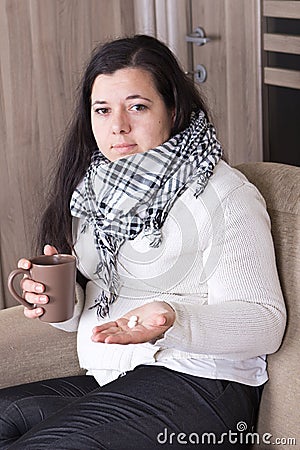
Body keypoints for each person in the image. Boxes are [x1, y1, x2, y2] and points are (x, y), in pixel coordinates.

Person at [0, 34, 286, 449]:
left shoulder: (222, 193)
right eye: (103, 110)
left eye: (137, 106)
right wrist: (53, 303)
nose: (117, 125)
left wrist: (172, 319)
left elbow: (264, 321)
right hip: (114, 378)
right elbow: (97, 306)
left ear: (173, 109)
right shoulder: (93, 192)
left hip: (202, 382)